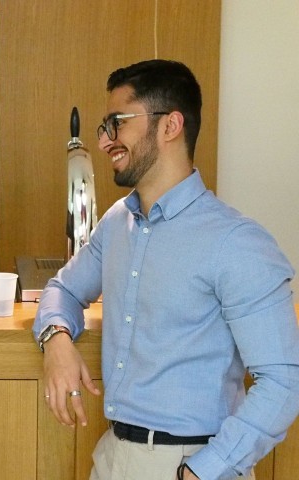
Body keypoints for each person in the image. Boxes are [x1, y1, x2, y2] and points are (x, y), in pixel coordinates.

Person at [33, 60, 299, 480]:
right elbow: (63, 290)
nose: (104, 141)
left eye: (117, 123)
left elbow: (283, 383)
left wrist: (202, 472)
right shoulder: (117, 223)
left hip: (192, 463)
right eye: (105, 126)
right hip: (113, 456)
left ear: (170, 126)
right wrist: (56, 340)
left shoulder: (237, 242)